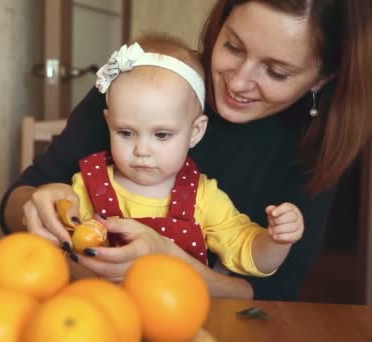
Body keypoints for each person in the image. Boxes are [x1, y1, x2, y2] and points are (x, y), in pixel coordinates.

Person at [0, 0, 372, 300]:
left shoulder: (314, 146)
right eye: (233, 47)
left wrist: (170, 263)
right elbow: (21, 198)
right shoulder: (144, 85)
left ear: (323, 76)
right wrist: (38, 206)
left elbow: (275, 290)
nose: (239, 81)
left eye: (276, 72)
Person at [71, 33, 303, 280]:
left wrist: (277, 241)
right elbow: (61, 251)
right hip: (103, 310)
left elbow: (250, 257)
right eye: (126, 132)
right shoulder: (87, 186)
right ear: (109, 124)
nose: (142, 150)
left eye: (161, 135)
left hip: (179, 312)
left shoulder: (203, 198)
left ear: (195, 132)